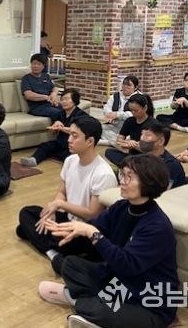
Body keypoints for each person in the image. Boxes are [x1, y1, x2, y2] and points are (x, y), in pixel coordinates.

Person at [37, 154, 178, 328]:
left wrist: (91, 232)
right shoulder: (121, 207)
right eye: (122, 174)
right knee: (70, 264)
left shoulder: (157, 226)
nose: (122, 181)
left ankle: (82, 302)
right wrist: (71, 229)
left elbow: (126, 264)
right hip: (121, 284)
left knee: (97, 310)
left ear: (149, 183)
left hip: (149, 302)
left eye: (129, 177)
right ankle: (87, 303)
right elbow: (95, 227)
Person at [16, 116, 117, 273]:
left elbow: (92, 214)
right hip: (68, 218)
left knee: (27, 229)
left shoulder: (103, 173)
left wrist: (60, 204)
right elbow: (62, 192)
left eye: (75, 136)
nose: (69, 140)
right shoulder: (70, 160)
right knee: (27, 213)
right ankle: (52, 252)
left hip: (85, 229)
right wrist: (52, 211)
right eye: (70, 134)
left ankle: (50, 247)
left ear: (90, 141)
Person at [20, 88, 87, 166]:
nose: (63, 102)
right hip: (60, 143)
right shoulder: (61, 113)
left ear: (75, 101)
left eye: (66, 99)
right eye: (62, 99)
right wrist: (55, 124)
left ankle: (72, 161)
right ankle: (33, 160)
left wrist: (61, 128)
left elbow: (77, 132)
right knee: (45, 146)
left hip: (73, 146)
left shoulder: (81, 115)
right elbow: (55, 126)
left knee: (70, 156)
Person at [105, 94, 156, 168]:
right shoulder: (130, 121)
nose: (133, 113)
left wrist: (133, 145)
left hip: (146, 157)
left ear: (145, 108)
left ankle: (130, 167)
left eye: (136, 110)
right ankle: (132, 167)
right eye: (131, 110)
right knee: (109, 152)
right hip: (132, 156)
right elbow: (119, 140)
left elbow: (151, 150)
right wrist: (128, 143)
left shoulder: (153, 124)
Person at [138, 121, 186, 188]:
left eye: (147, 135)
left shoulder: (170, 165)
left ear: (161, 141)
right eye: (142, 134)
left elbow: (162, 191)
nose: (142, 138)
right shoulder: (142, 158)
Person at [21, 53, 63, 122]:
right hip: (37, 107)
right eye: (34, 64)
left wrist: (54, 94)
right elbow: (28, 95)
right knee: (58, 113)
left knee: (70, 110)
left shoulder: (46, 76)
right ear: (31, 65)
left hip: (50, 104)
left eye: (39, 64)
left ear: (43, 66)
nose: (36, 66)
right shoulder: (26, 78)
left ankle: (73, 128)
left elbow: (54, 88)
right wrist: (46, 97)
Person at [100, 76, 141, 145]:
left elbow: (134, 113)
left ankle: (112, 142)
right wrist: (109, 115)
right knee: (99, 127)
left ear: (135, 87)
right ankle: (113, 142)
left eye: (128, 85)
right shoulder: (115, 96)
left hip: (130, 127)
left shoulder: (139, 98)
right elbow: (106, 108)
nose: (125, 87)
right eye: (124, 84)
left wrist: (117, 115)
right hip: (114, 125)